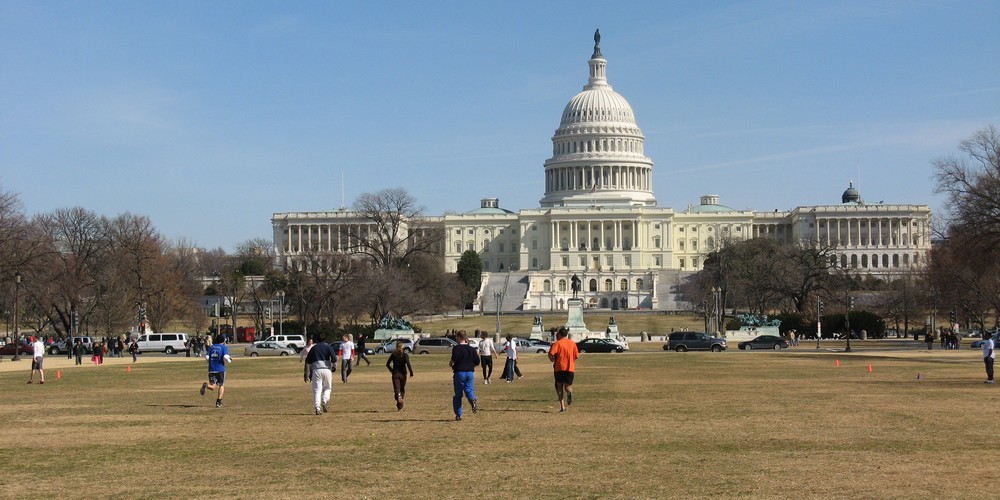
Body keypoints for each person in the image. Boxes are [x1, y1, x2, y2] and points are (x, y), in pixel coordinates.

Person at [449, 330, 479, 421]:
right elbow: (477, 362)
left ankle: (458, 414)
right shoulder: (472, 349)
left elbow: (454, 359)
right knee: (469, 389)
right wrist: (471, 366)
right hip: (470, 373)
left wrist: (451, 364)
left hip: (459, 373)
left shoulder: (456, 348)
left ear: (458, 338)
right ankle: (472, 399)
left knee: (458, 394)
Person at [304, 333, 337, 415]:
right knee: (328, 388)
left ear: (317, 340)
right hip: (327, 370)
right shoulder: (328, 347)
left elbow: (308, 361)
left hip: (317, 370)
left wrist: (307, 374)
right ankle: (325, 400)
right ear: (325, 339)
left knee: (317, 390)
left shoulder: (314, 348)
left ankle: (317, 408)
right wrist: (334, 367)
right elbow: (334, 358)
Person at [548, 327, 579, 412]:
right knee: (568, 386)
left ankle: (562, 407)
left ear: (560, 334)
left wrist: (552, 359)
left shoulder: (557, 344)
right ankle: (569, 392)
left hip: (559, 367)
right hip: (570, 368)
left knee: (559, 386)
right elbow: (576, 356)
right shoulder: (573, 344)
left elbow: (551, 354)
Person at [200, 334, 232, 408]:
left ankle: (206, 385)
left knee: (213, 386)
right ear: (223, 340)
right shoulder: (224, 347)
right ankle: (218, 402)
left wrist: (211, 362)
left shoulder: (211, 347)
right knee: (221, 385)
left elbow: (207, 357)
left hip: (211, 369)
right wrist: (229, 360)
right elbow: (225, 356)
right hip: (220, 369)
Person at [385, 340, 414, 410]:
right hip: (403, 374)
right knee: (402, 389)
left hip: (395, 374)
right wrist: (411, 372)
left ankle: (398, 397)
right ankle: (400, 405)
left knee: (397, 389)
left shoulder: (393, 355)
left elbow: (387, 364)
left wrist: (391, 370)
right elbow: (408, 364)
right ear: (403, 348)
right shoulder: (405, 355)